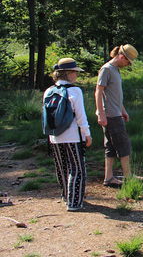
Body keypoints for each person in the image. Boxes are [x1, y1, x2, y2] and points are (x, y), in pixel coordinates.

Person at [45, 58, 92, 211]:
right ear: (69, 73)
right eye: (75, 72)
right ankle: (74, 202)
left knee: (62, 168)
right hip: (72, 136)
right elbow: (80, 116)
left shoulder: (49, 91)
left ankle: (66, 196)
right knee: (77, 169)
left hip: (54, 137)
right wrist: (87, 134)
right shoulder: (75, 91)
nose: (76, 76)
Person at [95, 44, 138, 186]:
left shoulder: (116, 70)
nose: (128, 64)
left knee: (111, 148)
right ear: (121, 56)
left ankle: (108, 178)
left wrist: (123, 110)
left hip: (116, 113)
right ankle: (129, 177)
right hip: (110, 116)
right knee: (124, 146)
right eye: (128, 61)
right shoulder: (106, 69)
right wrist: (101, 114)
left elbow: (115, 95)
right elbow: (99, 92)